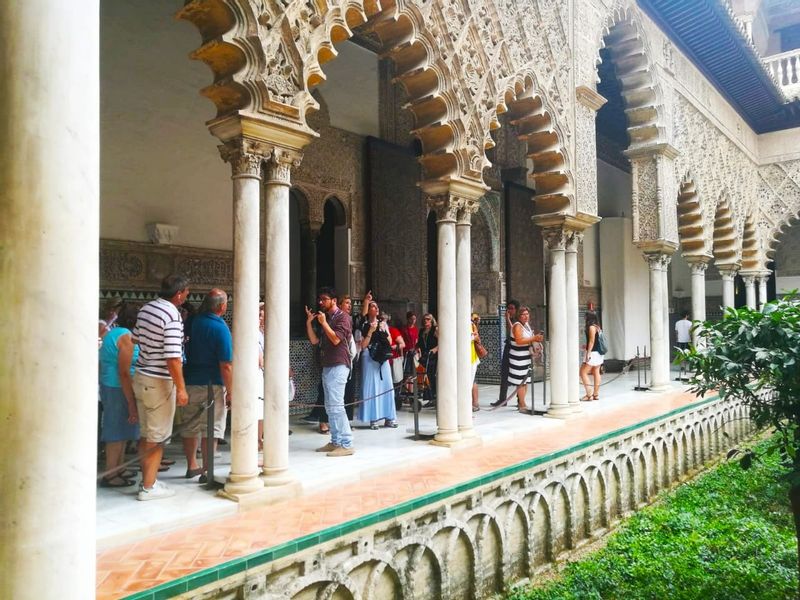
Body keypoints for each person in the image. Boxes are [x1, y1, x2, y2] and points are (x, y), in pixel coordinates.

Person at [132, 274, 190, 500]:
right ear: (178, 294)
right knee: (157, 437)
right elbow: (173, 358)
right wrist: (181, 388)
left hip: (141, 376)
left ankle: (148, 479)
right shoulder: (172, 315)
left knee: (147, 434)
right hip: (159, 381)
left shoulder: (146, 309)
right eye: (186, 292)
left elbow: (136, 339)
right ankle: (148, 487)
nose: (187, 296)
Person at [180, 289, 233, 483]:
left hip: (189, 382)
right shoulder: (220, 328)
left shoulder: (191, 322)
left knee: (190, 426)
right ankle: (206, 471)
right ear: (221, 306)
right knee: (212, 427)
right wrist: (231, 392)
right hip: (212, 384)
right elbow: (226, 364)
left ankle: (191, 465)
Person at [305, 287, 355, 457]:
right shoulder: (325, 319)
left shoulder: (343, 318)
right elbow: (314, 340)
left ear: (334, 300)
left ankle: (346, 443)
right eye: (320, 299)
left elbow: (335, 339)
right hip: (327, 366)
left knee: (337, 405)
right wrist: (309, 323)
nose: (321, 302)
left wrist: (324, 323)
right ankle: (335, 441)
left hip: (339, 365)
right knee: (329, 406)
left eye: (324, 299)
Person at [98, 303, 141, 487]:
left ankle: (118, 468)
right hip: (117, 387)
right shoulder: (126, 337)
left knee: (123, 430)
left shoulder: (113, 333)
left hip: (112, 385)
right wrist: (131, 402)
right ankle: (110, 474)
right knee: (116, 431)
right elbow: (123, 372)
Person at [358, 303, 398, 428]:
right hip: (369, 357)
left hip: (382, 357)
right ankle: (373, 418)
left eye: (376, 307)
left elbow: (390, 341)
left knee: (387, 386)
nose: (376, 309)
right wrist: (371, 330)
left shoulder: (383, 324)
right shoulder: (363, 325)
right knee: (372, 387)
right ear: (369, 310)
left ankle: (389, 417)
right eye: (373, 307)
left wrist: (383, 330)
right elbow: (363, 345)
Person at [499, 306, 543, 412]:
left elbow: (529, 338)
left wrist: (536, 343)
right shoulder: (517, 326)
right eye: (523, 314)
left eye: (527, 314)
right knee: (520, 382)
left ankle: (522, 403)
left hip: (525, 357)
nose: (525, 316)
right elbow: (519, 340)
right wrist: (534, 338)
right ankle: (522, 405)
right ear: (519, 316)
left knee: (525, 381)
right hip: (517, 358)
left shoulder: (526, 325)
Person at [491, 300, 520, 407]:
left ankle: (519, 400)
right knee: (504, 373)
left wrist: (507, 318)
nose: (510, 311)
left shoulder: (518, 321)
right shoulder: (511, 319)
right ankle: (503, 399)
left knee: (517, 374)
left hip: (516, 350)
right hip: (508, 347)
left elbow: (514, 331)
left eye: (512, 308)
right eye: (508, 308)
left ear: (516, 310)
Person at [338, 294, 357, 421]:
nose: (349, 305)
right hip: (339, 360)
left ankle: (348, 420)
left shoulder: (350, 319)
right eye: (346, 303)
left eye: (350, 303)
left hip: (349, 359)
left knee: (349, 390)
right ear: (339, 305)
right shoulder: (337, 319)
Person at [580, 311, 603, 401]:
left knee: (583, 372)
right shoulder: (597, 327)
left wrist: (588, 352)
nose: (584, 318)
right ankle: (596, 394)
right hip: (598, 353)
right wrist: (585, 347)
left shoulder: (591, 327)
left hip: (593, 353)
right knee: (596, 372)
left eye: (586, 316)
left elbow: (592, 341)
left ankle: (589, 395)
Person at [416, 313, 438, 407]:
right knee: (424, 375)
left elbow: (442, 341)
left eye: (428, 319)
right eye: (425, 319)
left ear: (432, 320)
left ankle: (434, 397)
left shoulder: (435, 329)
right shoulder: (421, 331)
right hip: (425, 355)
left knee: (431, 375)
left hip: (433, 356)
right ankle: (429, 397)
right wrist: (417, 348)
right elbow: (419, 343)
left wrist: (435, 349)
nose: (426, 321)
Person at [386, 313, 406, 410]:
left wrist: (394, 347)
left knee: (395, 382)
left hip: (394, 359)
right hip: (384, 361)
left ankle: (395, 401)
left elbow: (402, 344)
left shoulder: (393, 331)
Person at [400, 312, 419, 396]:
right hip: (406, 352)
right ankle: (406, 391)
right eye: (411, 319)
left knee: (413, 373)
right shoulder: (404, 329)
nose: (413, 321)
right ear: (408, 319)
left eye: (414, 319)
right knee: (406, 372)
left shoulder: (415, 329)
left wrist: (418, 350)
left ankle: (411, 392)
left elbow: (417, 340)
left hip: (414, 352)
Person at [471, 313, 482, 412]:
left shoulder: (471, 326)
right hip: (468, 358)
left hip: (471, 358)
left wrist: (473, 337)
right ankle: (474, 403)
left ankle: (475, 403)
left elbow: (477, 339)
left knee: (471, 381)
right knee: (471, 381)